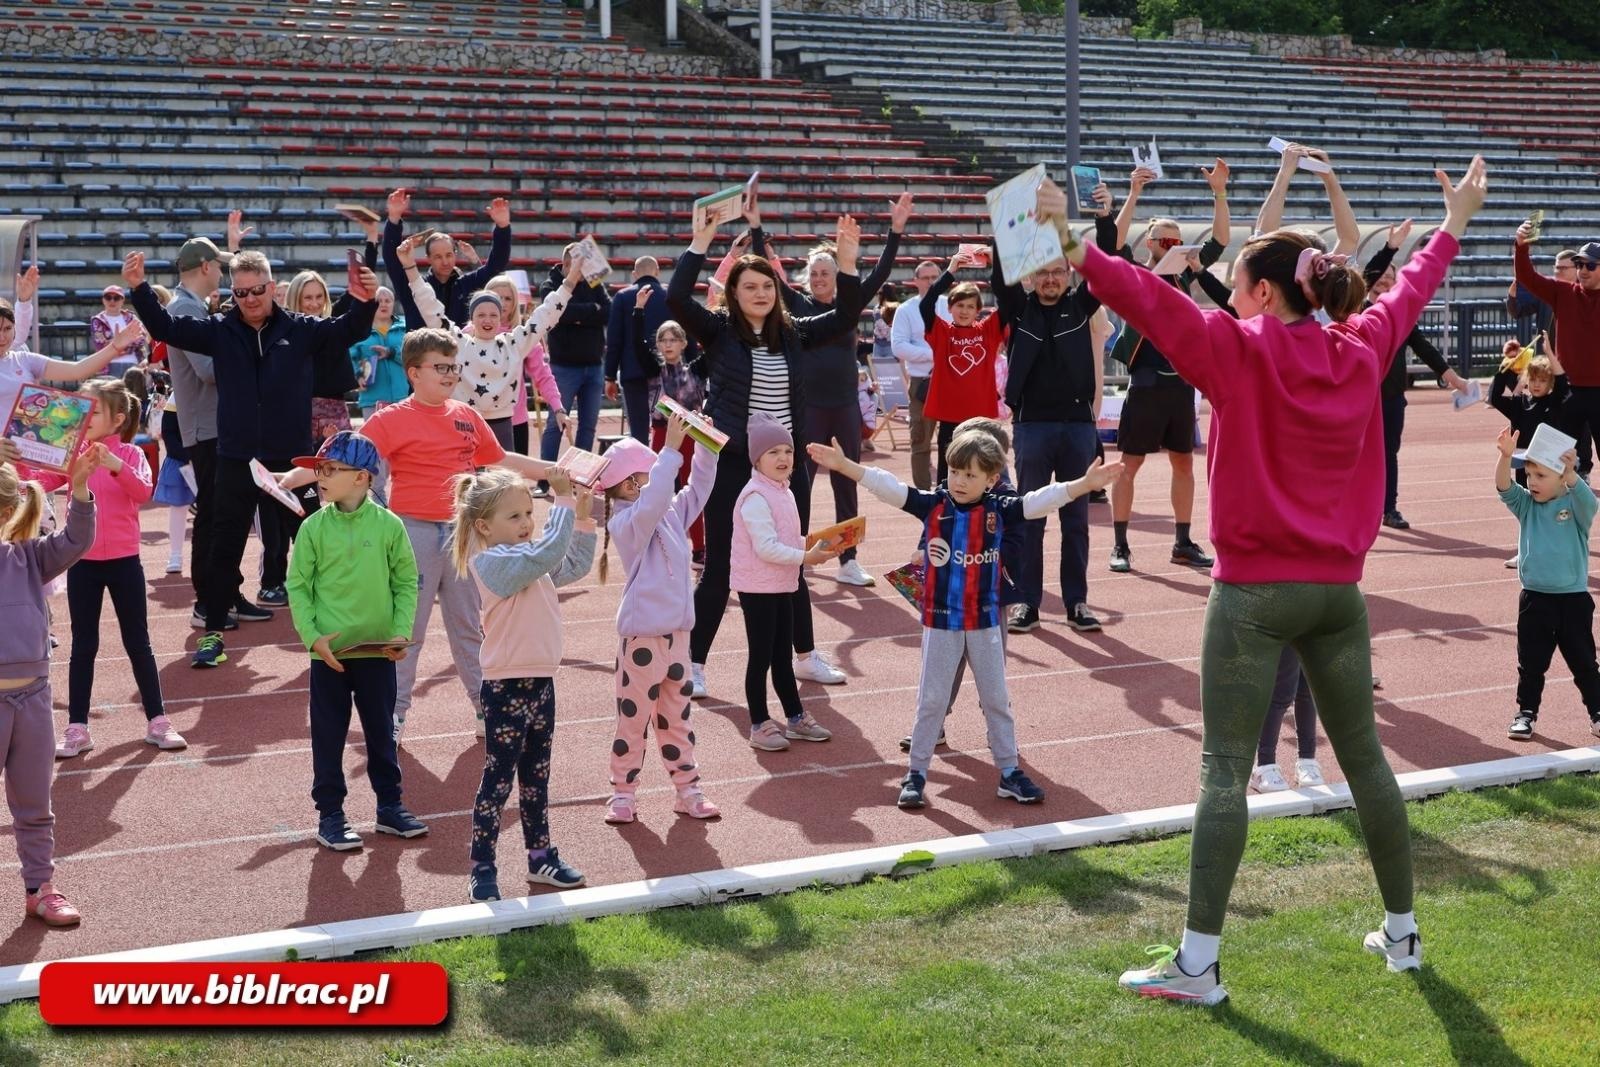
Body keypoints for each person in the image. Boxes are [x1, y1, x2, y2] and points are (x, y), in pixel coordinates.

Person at [1041, 155, 1488, 1003]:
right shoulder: (1358, 345)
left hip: (1251, 592)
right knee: (1366, 761)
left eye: (1242, 279)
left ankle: (1199, 964)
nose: (1233, 292)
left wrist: (1068, 235)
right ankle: (1403, 935)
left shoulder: (1237, 347)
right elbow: (1409, 294)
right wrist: (1456, 220)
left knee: (1223, 768)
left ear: (1262, 293)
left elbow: (1147, 298)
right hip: (1339, 593)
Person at [811, 425, 1120, 807]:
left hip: (986, 621)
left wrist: (1081, 484)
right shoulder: (933, 505)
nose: (959, 481)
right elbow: (890, 488)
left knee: (997, 698)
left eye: (970, 475)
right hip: (941, 622)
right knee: (932, 699)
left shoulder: (1001, 508)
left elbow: (1041, 500)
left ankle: (1009, 771)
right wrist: (846, 466)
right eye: (955, 471)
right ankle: (916, 773)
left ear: (991, 479)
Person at [280, 328, 554, 740]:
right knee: (407, 628)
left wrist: (553, 470)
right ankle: (394, 715)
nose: (449, 374)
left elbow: (499, 459)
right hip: (413, 533)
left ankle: (485, 708)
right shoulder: (390, 419)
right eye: (440, 367)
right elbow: (340, 458)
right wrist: (289, 478)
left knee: (469, 626)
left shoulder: (466, 415)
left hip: (463, 536)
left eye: (453, 366)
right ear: (413, 373)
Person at [125, 249, 379, 668]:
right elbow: (164, 326)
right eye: (240, 292)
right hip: (236, 457)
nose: (250, 299)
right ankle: (213, 630)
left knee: (319, 536)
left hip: (292, 461)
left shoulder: (301, 329)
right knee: (223, 546)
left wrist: (365, 300)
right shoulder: (219, 330)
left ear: (272, 288)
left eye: (257, 290)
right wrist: (138, 288)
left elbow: (349, 329)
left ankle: (343, 624)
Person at [667, 209, 864, 698]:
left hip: (785, 469)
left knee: (791, 563)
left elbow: (845, 316)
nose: (760, 293)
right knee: (719, 569)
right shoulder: (717, 332)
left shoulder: (795, 333)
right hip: (731, 463)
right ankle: (694, 662)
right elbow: (675, 298)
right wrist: (700, 243)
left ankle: (805, 656)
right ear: (733, 294)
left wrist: (848, 263)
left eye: (766, 287)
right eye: (749, 286)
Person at [750, 192, 909, 589]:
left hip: (844, 407)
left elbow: (881, 274)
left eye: (827, 271)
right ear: (807, 279)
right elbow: (767, 271)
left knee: (846, 481)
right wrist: (755, 228)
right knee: (798, 482)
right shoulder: (797, 305)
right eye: (815, 273)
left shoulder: (850, 305)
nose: (820, 278)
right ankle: (797, 555)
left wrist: (895, 232)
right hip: (808, 408)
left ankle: (848, 560)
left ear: (838, 274)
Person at [454, 466, 596, 903]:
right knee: (498, 779)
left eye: (528, 514)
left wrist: (585, 515)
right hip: (507, 689)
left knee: (537, 776)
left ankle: (540, 857)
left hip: (541, 684)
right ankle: (482, 864)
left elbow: (571, 563)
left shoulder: (528, 558)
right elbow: (546, 555)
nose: (526, 524)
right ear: (483, 526)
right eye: (514, 517)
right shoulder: (493, 564)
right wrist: (563, 502)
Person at [283, 431, 424, 850]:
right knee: (328, 736)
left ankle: (390, 807)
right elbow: (298, 587)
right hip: (328, 657)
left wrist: (401, 631)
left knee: (381, 733)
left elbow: (405, 582)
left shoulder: (389, 526)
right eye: (318, 470)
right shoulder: (312, 528)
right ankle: (331, 815)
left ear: (362, 478)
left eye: (329, 470)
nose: (319, 477)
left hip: (379, 652)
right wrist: (313, 639)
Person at [998, 194, 1119, 635]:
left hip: (1077, 427)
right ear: (1030, 277)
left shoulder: (1080, 305)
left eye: (1057, 272)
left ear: (1067, 275)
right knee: (1031, 518)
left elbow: (1104, 265)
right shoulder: (1018, 308)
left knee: (1076, 521)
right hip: (1031, 427)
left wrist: (1103, 217)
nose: (1049, 279)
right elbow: (1000, 270)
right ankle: (1027, 602)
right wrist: (1013, 222)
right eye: (1042, 273)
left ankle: (1077, 603)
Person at [1104, 161, 1233, 573]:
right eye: (1167, 239)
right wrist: (1134, 194)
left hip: (1182, 382)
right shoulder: (1138, 272)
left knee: (1184, 462)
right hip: (1145, 379)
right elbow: (1115, 242)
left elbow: (1221, 240)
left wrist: (1219, 193)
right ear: (1154, 244)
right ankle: (1120, 544)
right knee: (1130, 462)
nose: (1175, 244)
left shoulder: (1186, 276)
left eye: (1178, 239)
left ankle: (1182, 541)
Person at [43, 382, 178, 760]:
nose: (85, 418)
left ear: (117, 420)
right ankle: (77, 727)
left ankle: (158, 720)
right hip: (82, 563)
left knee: (138, 642)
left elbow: (144, 492)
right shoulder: (72, 454)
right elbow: (41, 480)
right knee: (84, 645)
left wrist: (113, 464)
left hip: (124, 562)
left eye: (94, 411)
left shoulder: (132, 453)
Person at [595, 422, 720, 822]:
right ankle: (623, 794)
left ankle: (688, 790)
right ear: (632, 484)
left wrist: (705, 445)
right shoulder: (627, 523)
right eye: (648, 475)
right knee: (632, 722)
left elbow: (698, 488)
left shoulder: (667, 512)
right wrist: (669, 450)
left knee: (676, 720)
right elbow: (651, 505)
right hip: (642, 640)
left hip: (679, 637)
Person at [0, 452, 98, 925]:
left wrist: (79, 489)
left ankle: (41, 890)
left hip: (33, 700)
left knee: (35, 805)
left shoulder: (29, 555)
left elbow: (78, 539)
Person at [398, 233, 574, 450]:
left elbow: (547, 313)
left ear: (501, 317)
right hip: (463, 424)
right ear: (471, 318)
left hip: (503, 427)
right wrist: (409, 267)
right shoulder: (458, 341)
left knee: (503, 480)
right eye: (481, 314)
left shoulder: (514, 342)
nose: (487, 319)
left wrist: (571, 280)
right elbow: (429, 305)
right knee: (465, 481)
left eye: (493, 314)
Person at [731, 413, 839, 751]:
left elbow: (789, 539)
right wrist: (807, 557)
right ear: (756, 458)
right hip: (758, 588)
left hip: (782, 584)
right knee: (761, 657)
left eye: (787, 452)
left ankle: (794, 717)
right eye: (773, 452)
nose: (783, 459)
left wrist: (815, 544)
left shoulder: (784, 491)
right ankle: (760, 723)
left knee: (781, 655)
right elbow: (766, 547)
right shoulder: (755, 497)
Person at [1361, 223, 1471, 530]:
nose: (1385, 281)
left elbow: (1424, 349)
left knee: (1389, 454)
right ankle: (1358, 506)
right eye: (1381, 276)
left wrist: (1456, 380)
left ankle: (1389, 508)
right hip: (1361, 397)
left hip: (1392, 396)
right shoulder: (1356, 309)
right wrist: (1389, 249)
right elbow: (1365, 276)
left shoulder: (1399, 317)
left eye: (1390, 277)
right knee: (1356, 455)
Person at [1496, 429, 1600, 743]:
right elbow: (1504, 487)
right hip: (1535, 601)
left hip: (1572, 600)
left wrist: (1572, 475)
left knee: (1584, 662)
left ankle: (1597, 713)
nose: (1533, 481)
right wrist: (1504, 457)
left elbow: (1589, 504)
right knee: (1531, 663)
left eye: (1541, 474)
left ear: (1561, 477)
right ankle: (1525, 714)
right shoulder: (1527, 506)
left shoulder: (1576, 507)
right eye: (1529, 474)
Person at [160, 237, 231, 628]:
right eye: (218, 264)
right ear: (205, 266)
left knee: (220, 513)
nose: (221, 271)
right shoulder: (185, 307)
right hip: (206, 425)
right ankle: (208, 601)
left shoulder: (191, 305)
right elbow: (208, 370)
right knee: (213, 515)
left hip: (207, 423)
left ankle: (222, 594)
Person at [1514, 233, 1600, 480]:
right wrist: (1521, 248)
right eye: (1580, 264)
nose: (1583, 270)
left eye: (1590, 265)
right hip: (1566, 391)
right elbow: (1527, 278)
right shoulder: (1563, 292)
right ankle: (1557, 514)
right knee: (1556, 460)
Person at [918, 247, 1007, 484]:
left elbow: (1007, 301)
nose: (965, 311)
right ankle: (944, 513)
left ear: (979, 310)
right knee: (949, 472)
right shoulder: (942, 332)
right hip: (949, 415)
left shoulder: (988, 330)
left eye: (970, 306)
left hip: (982, 416)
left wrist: (995, 263)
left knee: (983, 470)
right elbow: (925, 305)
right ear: (950, 308)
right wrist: (950, 272)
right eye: (960, 305)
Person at [382, 189, 512, 328]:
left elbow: (496, 264)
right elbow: (392, 259)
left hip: (460, 348)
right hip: (421, 348)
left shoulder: (468, 285)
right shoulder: (414, 286)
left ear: (455, 254)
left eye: (449, 255)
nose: (445, 261)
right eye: (438, 257)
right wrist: (394, 219)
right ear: (428, 259)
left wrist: (503, 227)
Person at [637, 304, 707, 560]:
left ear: (683, 343)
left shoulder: (697, 370)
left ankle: (699, 547)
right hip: (662, 435)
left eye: (673, 339)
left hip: (691, 436)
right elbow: (637, 345)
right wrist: (638, 311)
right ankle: (652, 543)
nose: (667, 345)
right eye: (662, 340)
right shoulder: (654, 370)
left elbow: (716, 345)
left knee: (693, 490)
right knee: (655, 490)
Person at [1491, 337, 1568, 562]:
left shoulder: (1554, 403)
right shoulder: (1519, 404)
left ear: (1550, 383)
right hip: (1523, 463)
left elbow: (1563, 386)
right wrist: (1505, 364)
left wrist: (1550, 356)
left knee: (1550, 508)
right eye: (1533, 379)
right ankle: (1526, 551)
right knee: (1526, 509)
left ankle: (1553, 550)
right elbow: (1495, 397)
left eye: (1543, 380)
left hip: (1547, 464)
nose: (1536, 384)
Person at [540, 242, 612, 462]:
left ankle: (580, 477)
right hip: (564, 367)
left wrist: (576, 316)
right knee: (555, 424)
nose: (582, 271)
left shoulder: (594, 283)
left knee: (588, 427)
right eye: (577, 266)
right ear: (566, 264)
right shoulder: (550, 285)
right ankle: (545, 477)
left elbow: (609, 312)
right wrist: (591, 310)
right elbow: (558, 313)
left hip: (594, 366)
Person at [889, 260, 950, 490]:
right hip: (921, 384)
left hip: (950, 382)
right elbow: (898, 347)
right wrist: (933, 355)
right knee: (921, 443)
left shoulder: (951, 305)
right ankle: (925, 496)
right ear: (915, 281)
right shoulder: (905, 310)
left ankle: (949, 494)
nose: (931, 282)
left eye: (935, 277)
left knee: (952, 442)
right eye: (925, 278)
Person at [606, 256, 673, 443]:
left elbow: (614, 340)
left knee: (639, 432)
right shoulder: (670, 296)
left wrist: (609, 376)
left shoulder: (622, 297)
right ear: (657, 271)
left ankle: (641, 470)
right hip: (667, 372)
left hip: (633, 371)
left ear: (634, 274)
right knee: (668, 430)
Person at [1246, 649, 1322, 792]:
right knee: (1282, 689)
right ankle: (1264, 764)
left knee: (1308, 686)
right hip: (1283, 628)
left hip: (1310, 627)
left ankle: (1307, 759)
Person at [349, 286, 411, 417]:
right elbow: (349, 358)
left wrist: (391, 353)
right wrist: (357, 376)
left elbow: (412, 356)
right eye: (379, 301)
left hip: (401, 398)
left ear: (393, 304)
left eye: (387, 301)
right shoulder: (360, 330)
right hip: (372, 399)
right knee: (373, 438)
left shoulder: (405, 328)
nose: (383, 304)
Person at [90, 285, 151, 368]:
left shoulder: (131, 317)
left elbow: (141, 339)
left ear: (122, 300)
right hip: (109, 366)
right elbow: (101, 346)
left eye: (116, 298)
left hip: (134, 364)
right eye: (108, 297)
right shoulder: (97, 320)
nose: (112, 301)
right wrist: (128, 342)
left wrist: (115, 345)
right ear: (103, 300)